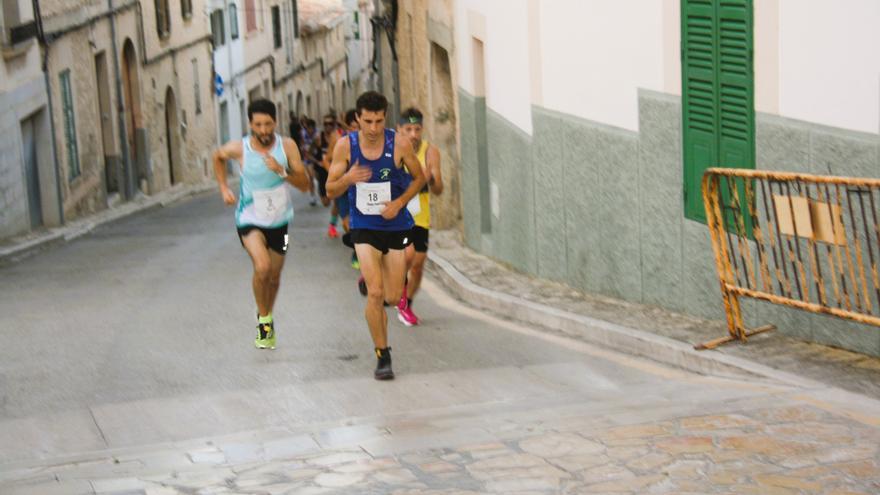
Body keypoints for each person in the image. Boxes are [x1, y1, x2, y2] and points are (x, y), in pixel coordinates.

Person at [326, 91, 426, 380]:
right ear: (357, 119)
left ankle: (387, 291)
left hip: (395, 226)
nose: (372, 128)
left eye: (378, 121)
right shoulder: (346, 147)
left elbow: (419, 178)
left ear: (385, 118)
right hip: (363, 227)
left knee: (393, 297)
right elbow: (330, 190)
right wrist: (347, 179)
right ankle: (382, 354)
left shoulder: (400, 144)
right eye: (367, 121)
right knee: (376, 292)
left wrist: (399, 202)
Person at [213, 99, 310, 349]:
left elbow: (305, 184)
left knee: (275, 277)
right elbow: (218, 156)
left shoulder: (287, 146)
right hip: (249, 218)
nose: (264, 130)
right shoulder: (240, 148)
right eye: (258, 124)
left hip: (280, 221)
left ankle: (266, 314)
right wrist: (224, 187)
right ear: (250, 124)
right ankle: (264, 323)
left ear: (275, 122)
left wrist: (281, 171)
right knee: (263, 267)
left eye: (268, 124)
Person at [396, 107, 443, 326]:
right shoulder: (393, 152)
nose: (414, 134)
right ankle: (396, 289)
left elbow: (439, 190)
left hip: (420, 216)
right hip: (398, 215)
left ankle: (407, 303)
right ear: (400, 129)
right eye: (408, 129)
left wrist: (432, 180)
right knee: (408, 255)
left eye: (417, 129)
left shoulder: (430, 152)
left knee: (418, 264)